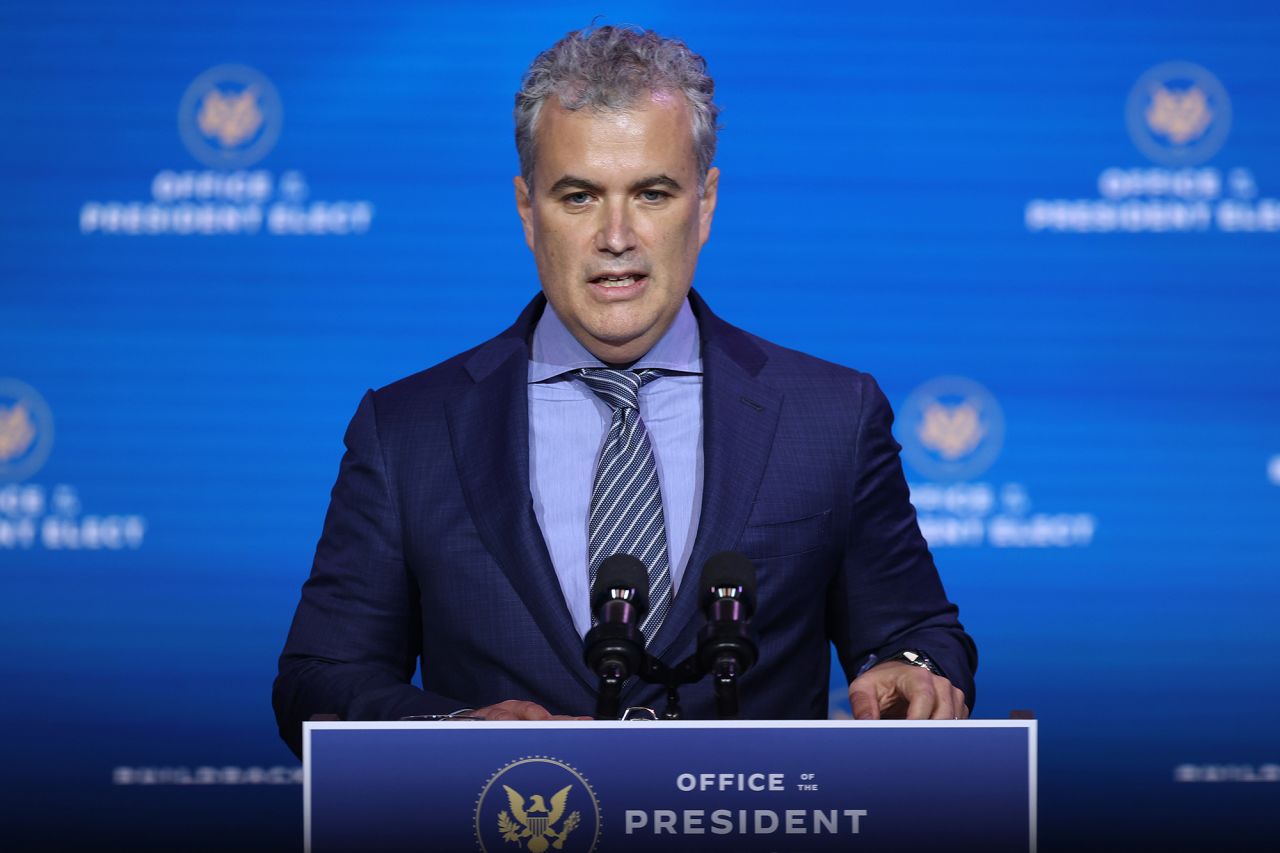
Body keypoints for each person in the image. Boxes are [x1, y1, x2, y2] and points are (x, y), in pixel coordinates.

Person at [273, 25, 976, 757]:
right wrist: (458, 736)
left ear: (704, 204)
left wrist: (911, 668)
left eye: (653, 192)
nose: (616, 235)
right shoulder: (407, 430)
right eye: (578, 196)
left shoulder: (831, 414)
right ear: (526, 209)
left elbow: (916, 634)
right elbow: (318, 681)